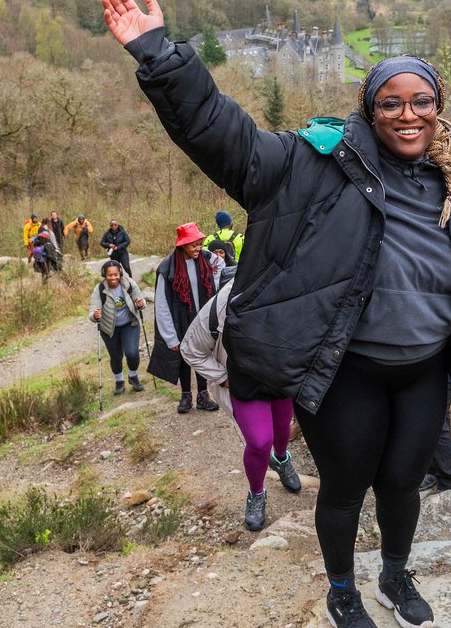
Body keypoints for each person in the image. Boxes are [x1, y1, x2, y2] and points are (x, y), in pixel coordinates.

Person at [102, 0, 451, 628]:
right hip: (345, 369)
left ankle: (395, 575)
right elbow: (224, 136)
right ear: (370, 108)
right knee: (345, 483)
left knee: (403, 482)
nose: (408, 114)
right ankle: (343, 590)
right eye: (391, 102)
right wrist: (160, 55)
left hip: (424, 369)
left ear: (438, 108)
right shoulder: (313, 162)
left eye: (421, 101)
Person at [181, 282, 301, 531]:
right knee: (259, 442)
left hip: (279, 375)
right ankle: (257, 493)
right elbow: (190, 349)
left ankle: (280, 459)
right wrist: (222, 378)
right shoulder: (225, 301)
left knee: (281, 429)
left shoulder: (293, 284)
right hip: (243, 383)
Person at [147, 222, 225, 413]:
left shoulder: (207, 259)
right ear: (182, 245)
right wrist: (169, 336)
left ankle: (203, 395)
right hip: (180, 319)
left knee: (201, 354)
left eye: (200, 243)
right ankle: (185, 395)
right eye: (194, 245)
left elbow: (223, 267)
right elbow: (162, 304)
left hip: (202, 318)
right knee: (182, 357)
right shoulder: (167, 269)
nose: (198, 248)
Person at [89, 259, 147, 394]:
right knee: (115, 356)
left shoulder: (129, 284)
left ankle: (133, 376)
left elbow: (141, 300)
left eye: (116, 274)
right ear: (105, 275)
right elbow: (93, 311)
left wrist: (140, 304)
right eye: (110, 275)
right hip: (109, 328)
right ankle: (119, 381)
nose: (113, 277)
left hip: (129, 324)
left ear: (120, 273)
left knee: (132, 353)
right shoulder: (100, 289)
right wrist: (95, 315)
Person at [419, 380, 451, 493]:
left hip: (444, 375)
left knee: (434, 419)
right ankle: (434, 472)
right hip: (439, 374)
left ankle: (448, 481)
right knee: (438, 417)